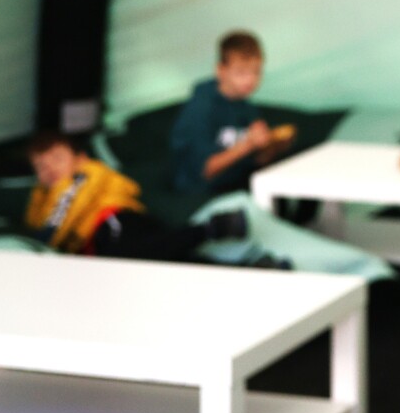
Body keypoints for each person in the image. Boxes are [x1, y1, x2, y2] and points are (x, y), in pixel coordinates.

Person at [26, 131, 247, 260]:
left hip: (114, 222)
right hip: (106, 239)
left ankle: (211, 228)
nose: (50, 169)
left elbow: (53, 227)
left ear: (80, 158)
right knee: (166, 259)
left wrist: (56, 190)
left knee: (129, 256)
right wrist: (41, 193)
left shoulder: (85, 174)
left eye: (57, 159)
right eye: (41, 166)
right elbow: (34, 223)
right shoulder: (45, 197)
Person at [170, 30, 295, 196]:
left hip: (236, 182)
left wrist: (271, 146)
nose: (250, 79)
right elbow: (205, 170)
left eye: (256, 71)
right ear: (220, 70)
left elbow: (255, 160)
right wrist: (249, 144)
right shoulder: (200, 108)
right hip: (199, 193)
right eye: (241, 72)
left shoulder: (245, 105)